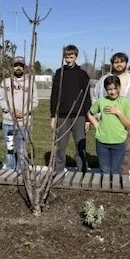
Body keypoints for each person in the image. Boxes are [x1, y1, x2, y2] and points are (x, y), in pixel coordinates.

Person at [94, 52, 130, 174]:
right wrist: (99, 116)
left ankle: (122, 183)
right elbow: (95, 97)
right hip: (107, 124)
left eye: (121, 61)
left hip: (126, 122)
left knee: (124, 156)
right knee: (106, 156)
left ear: (126, 63)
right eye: (115, 62)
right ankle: (107, 182)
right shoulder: (103, 80)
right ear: (112, 64)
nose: (119, 64)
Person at [50, 44, 91, 173]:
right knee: (61, 146)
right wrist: (53, 116)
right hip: (62, 116)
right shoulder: (59, 73)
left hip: (79, 115)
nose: (68, 59)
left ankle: (82, 170)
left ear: (75, 57)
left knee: (80, 145)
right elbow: (54, 95)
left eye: (71, 56)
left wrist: (88, 117)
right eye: (66, 57)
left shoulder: (82, 74)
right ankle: (58, 170)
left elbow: (87, 97)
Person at [0, 56, 39, 171]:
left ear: (24, 67)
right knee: (10, 149)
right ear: (12, 67)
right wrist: (11, 110)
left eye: (21, 65)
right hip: (8, 123)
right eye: (16, 65)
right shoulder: (5, 82)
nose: (18, 67)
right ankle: (10, 171)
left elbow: (35, 101)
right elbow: (0, 99)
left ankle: (22, 172)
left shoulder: (30, 82)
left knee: (22, 150)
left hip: (24, 124)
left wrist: (24, 112)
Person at [87, 75, 130, 174]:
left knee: (115, 171)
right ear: (105, 89)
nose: (113, 92)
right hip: (102, 143)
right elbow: (90, 114)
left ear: (119, 87)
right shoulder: (101, 101)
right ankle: (105, 188)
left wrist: (118, 112)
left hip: (118, 143)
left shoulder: (125, 102)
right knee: (105, 171)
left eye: (115, 88)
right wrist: (97, 126)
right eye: (109, 89)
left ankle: (113, 188)